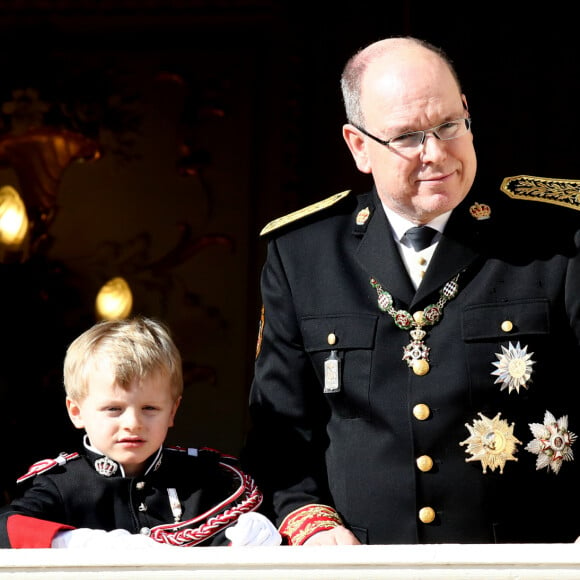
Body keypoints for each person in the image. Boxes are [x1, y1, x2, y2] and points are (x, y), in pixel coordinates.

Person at [241, 35, 580, 546]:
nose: (436, 153)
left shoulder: (558, 239)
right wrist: (311, 523)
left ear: (466, 111)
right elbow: (279, 436)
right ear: (359, 147)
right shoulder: (303, 255)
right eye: (407, 137)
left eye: (449, 125)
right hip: (362, 570)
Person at [0, 316, 281, 549]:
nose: (133, 423)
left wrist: (252, 535)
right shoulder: (61, 486)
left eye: (149, 408)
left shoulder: (206, 479)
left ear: (172, 411)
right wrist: (75, 542)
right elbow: (6, 528)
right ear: (76, 411)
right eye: (113, 409)